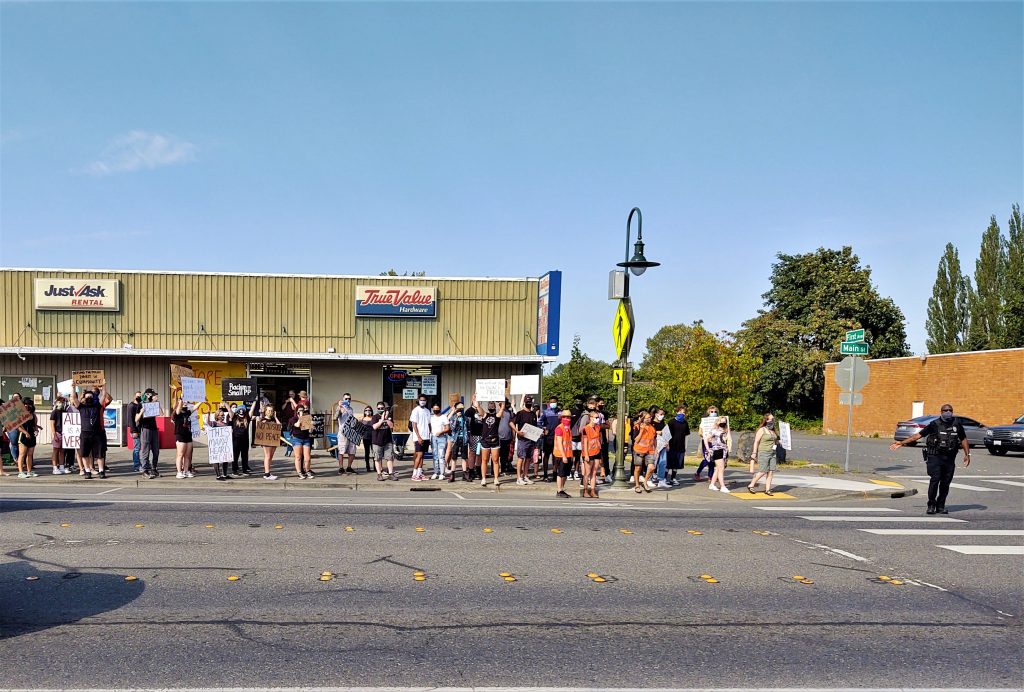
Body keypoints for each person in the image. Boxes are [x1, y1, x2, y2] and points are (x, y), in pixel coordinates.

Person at [890, 403, 970, 514]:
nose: (948, 412)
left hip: (950, 458)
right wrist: (902, 443)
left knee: (945, 483)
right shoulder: (934, 424)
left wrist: (967, 454)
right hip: (935, 456)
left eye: (950, 410)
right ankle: (931, 505)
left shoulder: (957, 424)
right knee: (935, 480)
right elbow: (918, 436)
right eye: (945, 410)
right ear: (941, 412)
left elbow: (963, 439)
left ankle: (941, 505)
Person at [71, 385, 106, 479]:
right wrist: (73, 388)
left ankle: (101, 471)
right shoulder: (81, 407)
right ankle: (87, 471)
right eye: (87, 397)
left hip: (97, 433)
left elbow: (103, 397)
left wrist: (104, 387)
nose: (89, 398)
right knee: (85, 453)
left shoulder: (97, 406)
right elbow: (74, 398)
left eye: (91, 396)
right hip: (85, 433)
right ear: (84, 398)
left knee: (99, 454)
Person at [748, 413, 779, 495]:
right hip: (764, 452)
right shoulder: (762, 430)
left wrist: (779, 442)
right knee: (763, 471)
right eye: (771, 419)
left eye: (773, 419)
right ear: (766, 420)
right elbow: (756, 442)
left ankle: (767, 489)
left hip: (773, 453)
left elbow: (775, 441)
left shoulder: (773, 431)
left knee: (771, 471)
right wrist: (754, 452)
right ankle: (751, 484)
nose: (773, 421)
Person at [511, 395, 537, 486]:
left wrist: (539, 434)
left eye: (530, 402)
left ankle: (525, 476)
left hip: (531, 439)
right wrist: (517, 431)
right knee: (521, 458)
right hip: (522, 440)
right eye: (527, 402)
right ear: (525, 403)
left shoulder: (533, 414)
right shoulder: (520, 413)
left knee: (528, 459)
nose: (529, 404)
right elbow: (511, 422)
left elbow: (535, 427)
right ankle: (518, 478)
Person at [478, 399, 505, 487]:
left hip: (495, 440)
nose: (491, 406)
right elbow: (478, 407)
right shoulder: (485, 415)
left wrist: (500, 403)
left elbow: (502, 409)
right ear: (487, 406)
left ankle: (496, 478)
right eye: (490, 404)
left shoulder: (497, 416)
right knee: (484, 460)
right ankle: (483, 478)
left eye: (493, 404)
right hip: (485, 440)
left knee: (495, 460)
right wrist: (476, 399)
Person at [137, 390, 163, 478]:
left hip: (154, 429)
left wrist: (158, 406)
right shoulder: (141, 404)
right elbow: (136, 419)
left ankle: (154, 468)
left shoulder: (154, 404)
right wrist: (141, 411)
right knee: (145, 450)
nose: (156, 397)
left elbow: (161, 414)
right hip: (145, 429)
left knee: (156, 450)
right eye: (154, 395)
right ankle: (145, 470)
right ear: (148, 395)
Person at [631, 411, 657, 493]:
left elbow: (654, 439)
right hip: (639, 450)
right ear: (642, 418)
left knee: (652, 467)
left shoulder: (652, 427)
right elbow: (636, 440)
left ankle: (645, 482)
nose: (649, 419)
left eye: (650, 418)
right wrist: (642, 430)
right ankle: (637, 485)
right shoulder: (637, 426)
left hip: (649, 450)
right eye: (647, 418)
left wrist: (656, 449)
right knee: (638, 468)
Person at [705, 416, 732, 493]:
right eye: (722, 422)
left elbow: (728, 439)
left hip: (724, 450)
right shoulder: (714, 430)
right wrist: (708, 448)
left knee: (718, 469)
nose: (723, 423)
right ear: (718, 422)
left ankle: (712, 484)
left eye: (725, 422)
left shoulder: (725, 430)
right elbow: (706, 439)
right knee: (721, 468)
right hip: (717, 450)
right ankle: (723, 486)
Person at [371, 402, 396, 481]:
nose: (380, 409)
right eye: (379, 408)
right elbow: (375, 427)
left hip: (387, 441)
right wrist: (381, 420)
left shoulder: (389, 417)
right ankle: (379, 474)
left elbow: (392, 426)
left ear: (385, 408)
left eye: (382, 408)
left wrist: (386, 418)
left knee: (390, 458)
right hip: (377, 441)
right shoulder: (375, 417)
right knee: (377, 458)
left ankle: (391, 474)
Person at [665, 405, 690, 486]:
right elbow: (667, 435)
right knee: (669, 464)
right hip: (671, 446)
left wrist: (685, 447)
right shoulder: (671, 422)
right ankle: (664, 479)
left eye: (684, 413)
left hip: (680, 446)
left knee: (677, 464)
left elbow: (686, 435)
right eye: (680, 412)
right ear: (677, 412)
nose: (682, 414)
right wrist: (667, 445)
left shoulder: (685, 423)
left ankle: (673, 478)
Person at [288, 402, 314, 479]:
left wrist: (311, 426)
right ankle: (299, 472)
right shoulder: (293, 419)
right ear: (297, 412)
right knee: (298, 457)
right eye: (299, 410)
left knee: (307, 457)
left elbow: (310, 431)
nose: (302, 411)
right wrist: (300, 418)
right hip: (297, 439)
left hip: (306, 439)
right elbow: (297, 425)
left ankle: (307, 470)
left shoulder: (306, 418)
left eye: (303, 410)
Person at [409, 395, 432, 481]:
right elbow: (414, 425)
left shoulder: (427, 411)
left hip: (426, 436)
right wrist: (418, 436)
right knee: (419, 454)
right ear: (418, 401)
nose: (422, 401)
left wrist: (430, 434)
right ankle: (414, 474)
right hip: (419, 437)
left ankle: (420, 473)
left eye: (424, 400)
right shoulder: (415, 410)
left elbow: (429, 423)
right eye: (421, 400)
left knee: (422, 456)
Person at [694, 405, 719, 481]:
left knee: (712, 459)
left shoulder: (718, 420)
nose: (713, 413)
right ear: (708, 412)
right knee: (707, 458)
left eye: (715, 412)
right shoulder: (705, 421)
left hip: (715, 441)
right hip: (706, 441)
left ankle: (710, 476)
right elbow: (700, 432)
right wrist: (706, 437)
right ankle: (698, 472)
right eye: (712, 411)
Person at [580, 410, 602, 498]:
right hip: (588, 452)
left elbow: (599, 438)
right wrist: (586, 455)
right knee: (587, 472)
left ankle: (593, 490)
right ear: (591, 418)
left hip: (596, 451)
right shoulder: (585, 428)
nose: (597, 419)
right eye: (595, 417)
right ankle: (585, 490)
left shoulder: (598, 427)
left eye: (598, 417)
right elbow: (585, 442)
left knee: (594, 472)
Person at [552, 409, 574, 498]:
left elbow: (568, 442)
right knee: (560, 473)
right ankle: (559, 490)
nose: (567, 419)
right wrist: (564, 456)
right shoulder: (559, 428)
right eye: (565, 417)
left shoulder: (568, 428)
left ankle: (562, 489)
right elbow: (560, 443)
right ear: (561, 418)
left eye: (569, 417)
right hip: (560, 455)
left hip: (568, 454)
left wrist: (570, 455)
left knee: (565, 473)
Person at [256, 404, 281, 480]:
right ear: (265, 411)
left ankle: (269, 472)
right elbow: (259, 429)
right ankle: (266, 473)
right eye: (269, 410)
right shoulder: (263, 420)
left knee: (270, 457)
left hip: (273, 440)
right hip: (266, 441)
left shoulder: (273, 419)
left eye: (271, 411)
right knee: (267, 456)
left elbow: (280, 426)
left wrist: (276, 417)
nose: (270, 412)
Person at [15, 400, 39, 478]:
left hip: (32, 437)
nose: (27, 406)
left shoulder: (33, 415)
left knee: (30, 454)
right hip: (23, 436)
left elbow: (35, 425)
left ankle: (29, 471)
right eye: (25, 404)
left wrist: (36, 430)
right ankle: (20, 472)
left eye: (29, 404)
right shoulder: (20, 415)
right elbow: (18, 427)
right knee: (22, 454)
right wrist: (26, 433)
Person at [172, 398, 195, 479]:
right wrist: (181, 399)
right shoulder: (176, 413)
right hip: (180, 435)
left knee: (187, 455)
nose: (185, 403)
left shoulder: (187, 412)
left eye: (186, 402)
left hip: (188, 434)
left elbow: (194, 408)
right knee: (180, 454)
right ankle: (179, 472)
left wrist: (202, 401)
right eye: (183, 402)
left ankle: (186, 471)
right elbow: (178, 410)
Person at [334, 394, 357, 474]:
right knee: (341, 451)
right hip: (343, 433)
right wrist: (339, 407)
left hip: (351, 432)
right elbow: (335, 418)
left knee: (352, 451)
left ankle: (349, 467)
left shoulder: (351, 409)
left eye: (349, 398)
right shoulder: (340, 407)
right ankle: (341, 467)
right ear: (343, 399)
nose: (348, 400)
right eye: (346, 398)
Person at [446, 402, 469, 482]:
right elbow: (452, 427)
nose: (461, 410)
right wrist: (456, 417)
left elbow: (468, 428)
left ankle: (465, 474)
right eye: (459, 408)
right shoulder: (453, 417)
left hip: (464, 439)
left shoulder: (466, 418)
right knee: (454, 457)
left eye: (462, 408)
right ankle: (452, 474)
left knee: (464, 457)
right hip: (455, 439)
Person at [539, 396, 561, 481]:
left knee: (555, 456)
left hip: (557, 437)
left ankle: (555, 475)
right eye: (551, 402)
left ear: (557, 402)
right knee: (546, 456)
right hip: (548, 437)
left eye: (554, 402)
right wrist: (544, 429)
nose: (553, 403)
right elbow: (539, 422)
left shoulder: (560, 413)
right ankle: (545, 475)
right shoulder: (546, 412)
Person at [429, 404, 450, 480]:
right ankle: (435, 472)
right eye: (434, 408)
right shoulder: (431, 417)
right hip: (433, 437)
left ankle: (442, 473)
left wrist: (441, 432)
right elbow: (430, 427)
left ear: (440, 409)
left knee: (441, 455)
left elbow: (448, 428)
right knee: (435, 455)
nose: (435, 410)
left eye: (437, 408)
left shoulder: (444, 417)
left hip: (442, 438)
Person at [49, 396, 69, 475]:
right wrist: (54, 434)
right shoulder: (54, 412)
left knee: (62, 451)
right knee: (55, 450)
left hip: (64, 432)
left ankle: (61, 466)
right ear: (56, 403)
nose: (61, 403)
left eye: (63, 402)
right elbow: (52, 424)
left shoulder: (64, 411)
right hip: (57, 432)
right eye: (60, 402)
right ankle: (54, 467)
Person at [230, 405, 253, 477]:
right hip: (236, 440)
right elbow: (229, 410)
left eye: (242, 410)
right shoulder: (234, 417)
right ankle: (234, 470)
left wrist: (255, 401)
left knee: (245, 456)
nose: (241, 411)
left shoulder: (247, 418)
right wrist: (225, 402)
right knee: (235, 456)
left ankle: (245, 470)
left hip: (245, 440)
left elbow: (252, 410)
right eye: (240, 410)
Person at [126, 390, 143, 472]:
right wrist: (133, 431)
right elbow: (130, 419)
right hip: (135, 430)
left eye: (140, 396)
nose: (139, 397)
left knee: (142, 448)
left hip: (142, 429)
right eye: (137, 396)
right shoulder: (131, 406)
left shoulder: (141, 405)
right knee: (137, 448)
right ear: (134, 396)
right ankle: (136, 465)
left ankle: (142, 464)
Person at [498, 400, 514, 476]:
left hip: (508, 437)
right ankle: (494, 470)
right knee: (496, 455)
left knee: (505, 454)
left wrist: (513, 436)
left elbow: (512, 424)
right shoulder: (498, 412)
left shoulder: (510, 413)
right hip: (499, 437)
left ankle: (504, 469)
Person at [360, 405, 375, 472]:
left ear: (371, 411)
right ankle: (367, 466)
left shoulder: (374, 418)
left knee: (374, 452)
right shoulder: (362, 419)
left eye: (369, 410)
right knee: (367, 453)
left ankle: (375, 467)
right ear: (364, 411)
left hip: (373, 437)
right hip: (365, 438)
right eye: (366, 410)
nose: (367, 411)